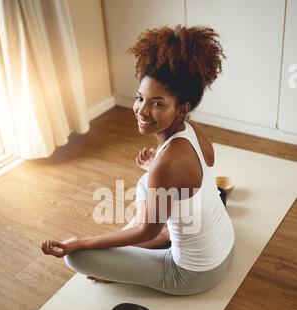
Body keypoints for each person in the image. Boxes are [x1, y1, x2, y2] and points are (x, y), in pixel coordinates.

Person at [41, 25, 235, 295]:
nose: (142, 111)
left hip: (193, 274)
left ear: (182, 108)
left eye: (157, 103)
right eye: (140, 98)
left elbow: (146, 231)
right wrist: (154, 169)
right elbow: (184, 182)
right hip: (225, 245)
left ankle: (126, 263)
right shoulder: (193, 131)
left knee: (77, 258)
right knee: (147, 182)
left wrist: (82, 242)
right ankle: (161, 242)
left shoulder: (165, 166)